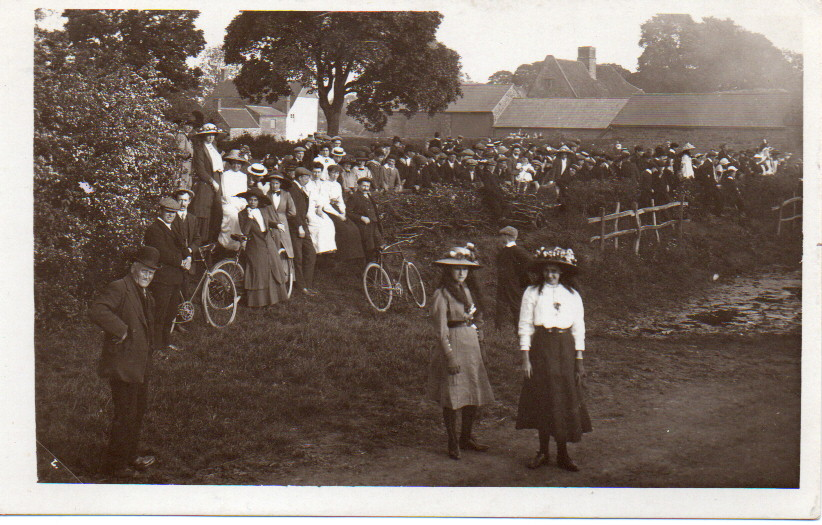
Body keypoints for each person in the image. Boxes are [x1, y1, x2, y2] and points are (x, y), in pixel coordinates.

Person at [88, 246, 161, 478]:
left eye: (151, 273)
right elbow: (97, 310)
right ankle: (115, 466)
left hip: (139, 365)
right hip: (122, 364)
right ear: (134, 268)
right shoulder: (120, 287)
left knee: (137, 411)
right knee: (125, 414)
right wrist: (121, 330)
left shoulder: (145, 293)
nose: (147, 276)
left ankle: (130, 455)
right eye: (144, 271)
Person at [516, 246, 591, 471]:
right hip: (541, 347)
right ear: (542, 272)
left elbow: (579, 327)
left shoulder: (572, 295)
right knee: (544, 397)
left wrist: (579, 359)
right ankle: (542, 452)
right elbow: (525, 325)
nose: (551, 275)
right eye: (547, 271)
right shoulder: (532, 292)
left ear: (562, 273)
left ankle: (563, 454)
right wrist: (525, 357)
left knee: (563, 399)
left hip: (565, 347)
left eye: (555, 272)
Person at [428, 244, 495, 460]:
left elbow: (477, 318)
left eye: (465, 269)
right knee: (453, 394)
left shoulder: (469, 291)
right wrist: (449, 356)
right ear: (448, 271)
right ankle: (452, 441)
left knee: (472, 391)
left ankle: (466, 437)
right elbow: (440, 331)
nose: (461, 273)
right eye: (456, 269)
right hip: (454, 344)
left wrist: (481, 342)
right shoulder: (442, 295)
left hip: (471, 345)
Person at [144, 196, 189, 351]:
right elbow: (161, 252)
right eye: (167, 212)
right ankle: (155, 347)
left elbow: (182, 245)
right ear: (161, 211)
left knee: (171, 313)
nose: (170, 215)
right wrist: (180, 261)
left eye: (173, 213)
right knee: (160, 313)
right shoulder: (154, 229)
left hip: (175, 277)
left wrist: (188, 256)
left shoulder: (172, 227)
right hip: (162, 278)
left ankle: (166, 342)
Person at [235, 187, 288, 307]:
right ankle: (259, 301)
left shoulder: (262, 210)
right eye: (250, 200)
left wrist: (277, 225)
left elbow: (266, 222)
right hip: (255, 245)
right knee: (259, 271)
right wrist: (249, 218)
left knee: (273, 267)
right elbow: (245, 231)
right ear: (247, 200)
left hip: (268, 242)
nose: (252, 202)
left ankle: (276, 297)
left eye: (255, 200)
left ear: (259, 201)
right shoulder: (242, 214)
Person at [189, 123, 225, 244]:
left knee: (217, 211)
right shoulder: (200, 150)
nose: (210, 137)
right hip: (206, 182)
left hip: (218, 179)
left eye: (213, 135)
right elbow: (200, 170)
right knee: (204, 210)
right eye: (208, 135)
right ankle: (200, 242)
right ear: (203, 136)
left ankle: (212, 242)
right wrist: (211, 181)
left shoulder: (214, 148)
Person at [170, 188, 200, 332]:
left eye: (185, 200)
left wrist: (190, 251)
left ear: (189, 202)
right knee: (175, 289)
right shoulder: (171, 217)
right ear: (176, 201)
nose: (183, 203)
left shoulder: (193, 219)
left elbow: (197, 238)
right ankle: (174, 321)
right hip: (174, 259)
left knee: (185, 288)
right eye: (180, 200)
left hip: (188, 257)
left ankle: (184, 317)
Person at [288, 167, 319, 296]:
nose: (308, 179)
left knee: (311, 253)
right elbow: (292, 211)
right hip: (295, 227)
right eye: (307, 177)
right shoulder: (292, 189)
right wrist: (299, 226)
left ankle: (307, 284)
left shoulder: (300, 189)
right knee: (298, 256)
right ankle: (301, 286)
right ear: (300, 177)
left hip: (302, 225)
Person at [495, 226, 532, 330]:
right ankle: (498, 331)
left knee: (516, 308)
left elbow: (530, 262)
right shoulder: (504, 251)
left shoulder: (516, 250)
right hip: (503, 284)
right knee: (500, 307)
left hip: (513, 284)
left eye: (501, 236)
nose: (499, 239)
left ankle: (520, 331)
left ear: (506, 237)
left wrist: (519, 275)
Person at [218, 150, 250, 253]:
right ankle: (228, 244)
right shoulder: (225, 175)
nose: (236, 165)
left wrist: (242, 204)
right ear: (231, 163)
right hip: (229, 202)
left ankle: (243, 244)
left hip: (240, 203)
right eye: (234, 163)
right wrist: (235, 205)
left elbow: (244, 193)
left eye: (239, 163)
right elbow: (226, 193)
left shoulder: (243, 176)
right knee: (232, 214)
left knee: (249, 214)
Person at [346, 177, 383, 262]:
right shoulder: (354, 197)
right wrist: (361, 218)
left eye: (367, 186)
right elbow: (348, 212)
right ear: (358, 186)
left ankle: (378, 268)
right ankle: (369, 269)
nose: (365, 188)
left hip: (374, 225)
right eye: (363, 186)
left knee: (379, 246)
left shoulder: (369, 196)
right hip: (364, 227)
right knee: (369, 248)